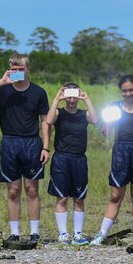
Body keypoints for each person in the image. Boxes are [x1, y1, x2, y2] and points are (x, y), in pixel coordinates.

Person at [0, 53, 50, 243]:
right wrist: (2, 81)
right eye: (14, 70)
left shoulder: (38, 92)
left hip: (32, 143)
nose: (17, 73)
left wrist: (46, 147)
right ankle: (14, 232)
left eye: (21, 69)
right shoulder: (3, 91)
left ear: (28, 69)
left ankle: (34, 232)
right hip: (9, 142)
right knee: (13, 190)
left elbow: (45, 122)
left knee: (32, 189)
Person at [90, 75, 133, 245]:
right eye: (124, 90)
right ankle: (102, 233)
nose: (128, 93)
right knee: (115, 195)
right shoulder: (114, 107)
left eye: (131, 90)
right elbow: (106, 133)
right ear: (121, 91)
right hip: (121, 150)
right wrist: (106, 123)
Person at [44, 83, 98, 245]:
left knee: (79, 198)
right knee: (61, 197)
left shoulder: (84, 114)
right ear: (65, 96)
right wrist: (56, 99)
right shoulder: (59, 113)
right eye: (69, 96)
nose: (72, 99)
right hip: (61, 158)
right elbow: (48, 120)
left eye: (75, 96)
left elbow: (95, 120)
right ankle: (63, 234)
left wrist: (87, 99)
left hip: (79, 159)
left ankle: (78, 234)